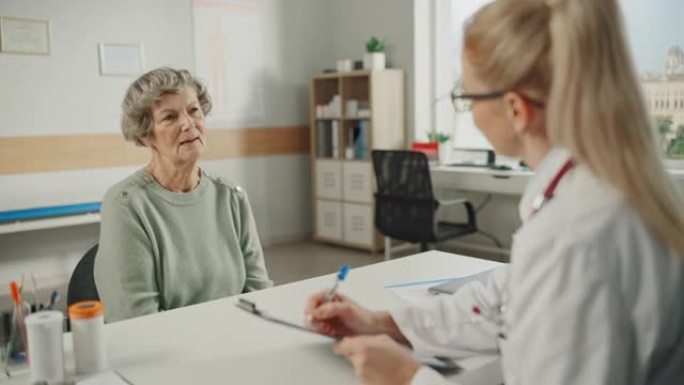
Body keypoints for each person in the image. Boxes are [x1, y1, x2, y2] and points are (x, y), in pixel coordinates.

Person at [305, 0, 684, 384]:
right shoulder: (597, 191)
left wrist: (407, 376)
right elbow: (496, 307)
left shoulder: (571, 238)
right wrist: (377, 322)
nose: (467, 109)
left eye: (466, 97)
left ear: (515, 108)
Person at [95, 67, 273, 322]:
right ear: (146, 135)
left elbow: (259, 293)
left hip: (236, 342)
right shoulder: (125, 205)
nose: (188, 125)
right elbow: (136, 319)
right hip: (166, 354)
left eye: (193, 111)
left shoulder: (231, 196)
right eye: (169, 117)